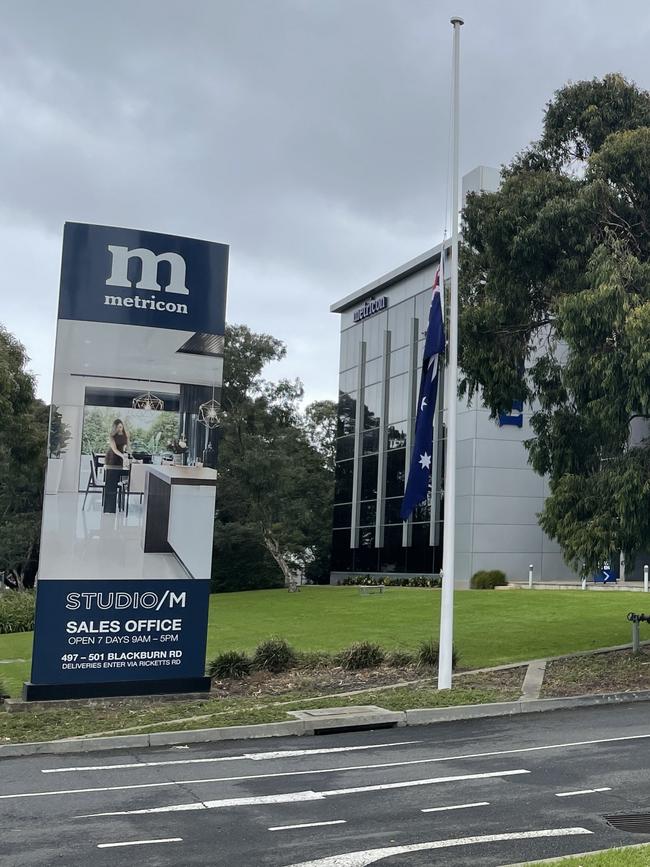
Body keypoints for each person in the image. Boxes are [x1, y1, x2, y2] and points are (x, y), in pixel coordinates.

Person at [103, 419, 130, 512]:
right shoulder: (112, 436)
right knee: (111, 480)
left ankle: (119, 504)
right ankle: (109, 508)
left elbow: (128, 447)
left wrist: (128, 455)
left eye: (121, 426)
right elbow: (114, 449)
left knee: (119, 479)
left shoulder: (125, 436)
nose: (120, 428)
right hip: (112, 458)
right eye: (118, 427)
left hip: (120, 458)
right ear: (115, 427)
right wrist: (123, 456)